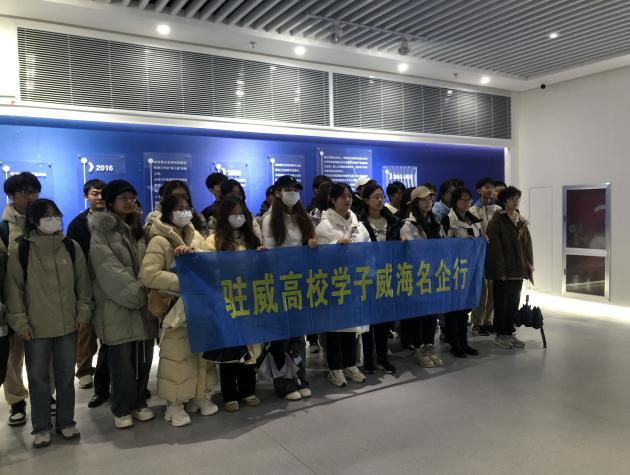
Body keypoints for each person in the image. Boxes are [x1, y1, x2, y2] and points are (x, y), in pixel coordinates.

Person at [5, 199, 93, 448]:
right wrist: (20, 323)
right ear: (34, 221)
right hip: (36, 329)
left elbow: (83, 286)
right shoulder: (21, 251)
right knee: (38, 379)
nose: (53, 220)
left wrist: (83, 315)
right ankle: (41, 427)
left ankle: (66, 422)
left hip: (68, 326)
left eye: (56, 215)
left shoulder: (71, 247)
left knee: (65, 377)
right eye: (47, 216)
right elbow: (14, 291)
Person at [140, 193, 218, 427]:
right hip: (173, 308)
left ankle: (199, 395)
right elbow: (149, 274)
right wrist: (184, 281)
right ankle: (173, 405)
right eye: (178, 208)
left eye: (187, 207)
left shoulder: (196, 237)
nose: (184, 212)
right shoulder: (159, 241)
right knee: (176, 357)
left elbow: (210, 264)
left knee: (200, 355)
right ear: (167, 212)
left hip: (198, 306)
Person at [90, 180, 159, 429]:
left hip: (143, 309)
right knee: (122, 366)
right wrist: (140, 294)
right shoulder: (101, 233)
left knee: (143, 360)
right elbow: (108, 270)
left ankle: (139, 402)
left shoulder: (139, 231)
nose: (130, 201)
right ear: (110, 202)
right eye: (124, 198)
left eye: (132, 197)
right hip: (117, 308)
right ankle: (121, 408)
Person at [205, 195, 262, 412]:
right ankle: (229, 393)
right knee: (229, 349)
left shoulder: (252, 240)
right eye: (233, 214)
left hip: (250, 300)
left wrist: (262, 257)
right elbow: (209, 269)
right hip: (226, 300)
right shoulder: (213, 241)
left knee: (250, 347)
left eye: (241, 213)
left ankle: (248, 390)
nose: (238, 217)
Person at [261, 175, 317, 401]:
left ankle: (300, 378)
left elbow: (307, 244)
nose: (293, 193)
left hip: (299, 283)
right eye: (288, 189)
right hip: (279, 284)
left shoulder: (302, 217)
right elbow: (270, 252)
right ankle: (284, 383)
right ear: (277, 193)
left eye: (296, 189)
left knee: (298, 337)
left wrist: (310, 244)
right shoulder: (270, 220)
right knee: (281, 338)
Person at [316, 183, 370, 387]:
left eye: (350, 196)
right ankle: (335, 368)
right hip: (334, 283)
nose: (347, 200)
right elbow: (319, 257)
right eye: (343, 197)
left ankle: (350, 364)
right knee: (334, 329)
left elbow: (368, 249)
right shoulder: (324, 227)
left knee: (351, 326)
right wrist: (335, 247)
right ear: (332, 199)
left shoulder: (357, 224)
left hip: (354, 282)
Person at [1, 172, 41, 427]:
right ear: (11, 195)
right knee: (13, 358)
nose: (31, 197)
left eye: (34, 192)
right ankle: (17, 401)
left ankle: (46, 396)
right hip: (12, 301)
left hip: (42, 300)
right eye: (25, 192)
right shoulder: (4, 228)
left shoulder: (45, 221)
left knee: (44, 355)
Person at [67, 179, 107, 396]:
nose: (99, 197)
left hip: (110, 282)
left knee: (109, 328)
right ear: (86, 196)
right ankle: (83, 370)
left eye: (102, 193)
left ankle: (106, 370)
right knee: (86, 330)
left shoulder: (116, 219)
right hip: (87, 281)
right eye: (94, 193)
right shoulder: (77, 224)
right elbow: (73, 256)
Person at [399, 186, 445, 368]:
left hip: (435, 274)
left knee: (432, 313)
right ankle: (418, 348)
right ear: (415, 203)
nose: (428, 202)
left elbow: (444, 246)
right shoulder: (408, 226)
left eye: (430, 199)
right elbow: (412, 253)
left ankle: (429, 346)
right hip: (417, 276)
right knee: (418, 314)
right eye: (424, 199)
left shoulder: (436, 223)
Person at [486, 186, 534, 350]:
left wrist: (528, 265)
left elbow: (527, 245)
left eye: (517, 197)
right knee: (502, 304)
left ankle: (509, 332)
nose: (516, 200)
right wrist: (500, 270)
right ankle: (500, 335)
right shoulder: (497, 222)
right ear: (504, 201)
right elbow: (495, 249)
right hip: (504, 271)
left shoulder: (521, 221)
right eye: (512, 198)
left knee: (513, 303)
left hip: (518, 269)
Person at [358, 183, 399, 374]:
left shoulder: (392, 221)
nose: (380, 200)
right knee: (368, 320)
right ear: (366, 200)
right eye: (375, 196)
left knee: (383, 319)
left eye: (382, 196)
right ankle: (368, 359)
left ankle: (383, 357)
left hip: (386, 275)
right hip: (367, 276)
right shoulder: (359, 222)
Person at [441, 187, 484, 358]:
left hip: (470, 269)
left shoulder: (474, 219)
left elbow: (480, 237)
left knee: (465, 308)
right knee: (454, 309)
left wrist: (483, 239)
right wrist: (461, 243)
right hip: (453, 270)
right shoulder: (448, 219)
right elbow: (443, 244)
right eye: (463, 199)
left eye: (469, 199)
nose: (467, 203)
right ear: (455, 201)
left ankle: (464, 342)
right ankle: (454, 344)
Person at [469, 178, 503, 336]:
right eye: (486, 187)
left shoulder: (498, 209)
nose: (490, 190)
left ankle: (488, 321)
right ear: (478, 190)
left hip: (494, 255)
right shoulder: (472, 210)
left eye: (491, 187)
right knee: (481, 289)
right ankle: (477, 322)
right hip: (479, 255)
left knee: (493, 289)